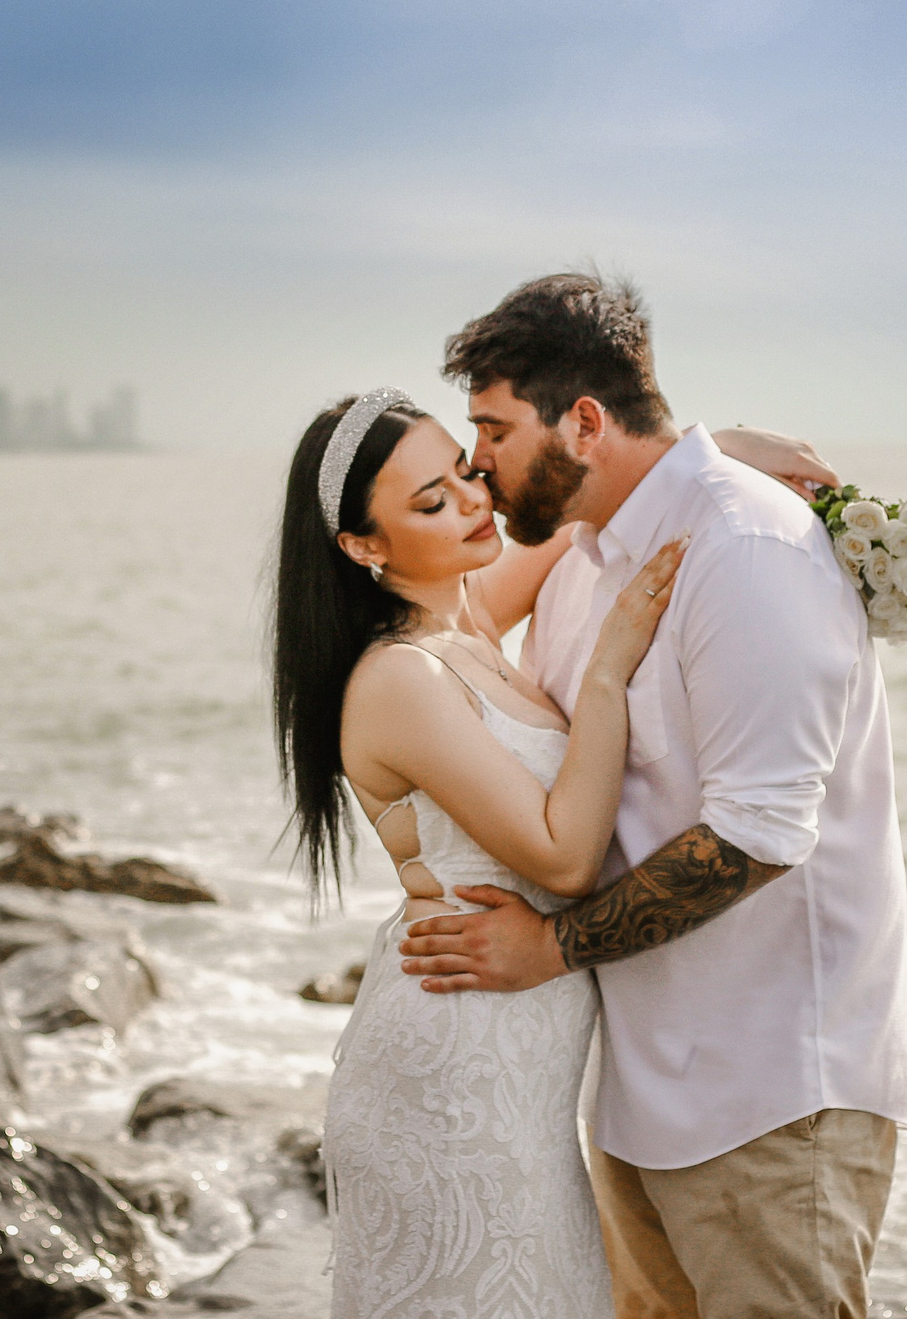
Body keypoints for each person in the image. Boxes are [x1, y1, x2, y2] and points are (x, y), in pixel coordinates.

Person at [399, 271, 907, 1319]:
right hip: (638, 1093)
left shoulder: (749, 551)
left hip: (771, 1099)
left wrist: (549, 949)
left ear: (584, 422)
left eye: (494, 430)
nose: (476, 461)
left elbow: (755, 835)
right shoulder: (586, 558)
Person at [273, 385, 828, 1318]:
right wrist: (607, 670)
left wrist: (716, 449)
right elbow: (565, 858)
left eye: (464, 471)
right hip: (451, 1067)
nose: (473, 500)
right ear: (364, 547)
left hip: (522, 1070)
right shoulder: (399, 677)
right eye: (432, 501)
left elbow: (599, 504)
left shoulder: (467, 617)